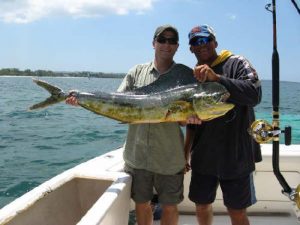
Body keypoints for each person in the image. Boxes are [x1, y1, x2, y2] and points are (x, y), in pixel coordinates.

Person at [66, 24, 197, 225]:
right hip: (138, 156)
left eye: (171, 41)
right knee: (141, 203)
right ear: (153, 43)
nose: (166, 45)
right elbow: (117, 103)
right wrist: (82, 100)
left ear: (177, 46)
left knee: (170, 206)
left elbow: (183, 120)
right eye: (162, 40)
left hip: (169, 156)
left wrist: (189, 118)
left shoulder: (185, 74)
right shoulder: (136, 72)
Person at [185, 24, 262, 225]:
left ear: (215, 42)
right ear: (191, 48)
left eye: (205, 39)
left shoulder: (236, 63)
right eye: (195, 42)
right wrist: (185, 153)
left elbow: (254, 94)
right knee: (201, 206)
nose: (201, 45)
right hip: (203, 156)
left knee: (236, 211)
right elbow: (191, 122)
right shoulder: (194, 77)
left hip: (235, 156)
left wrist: (217, 78)